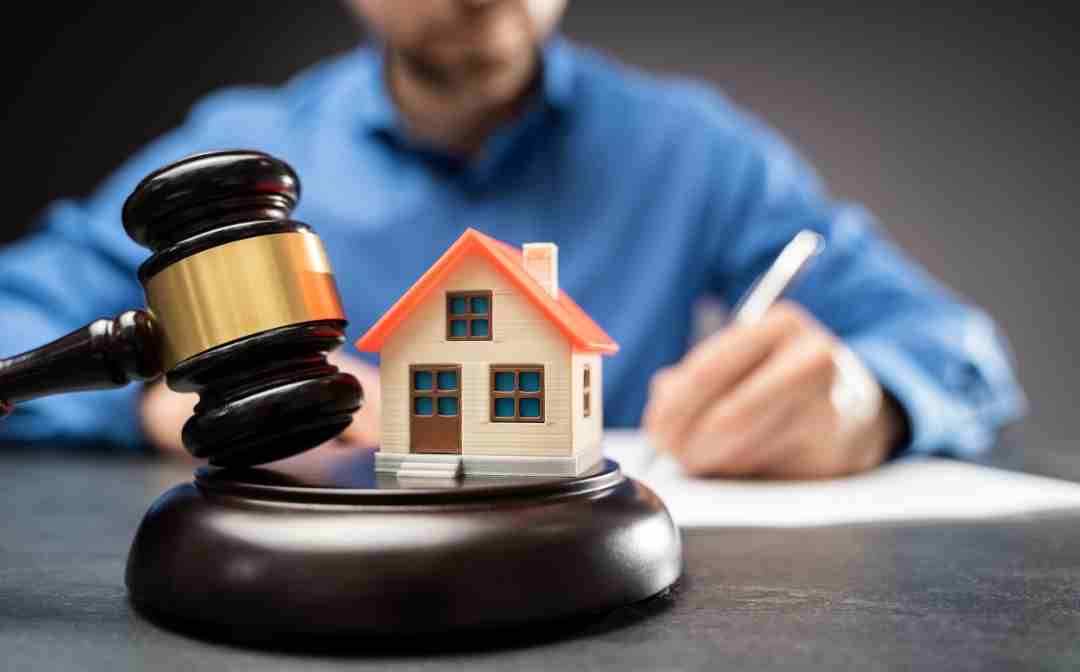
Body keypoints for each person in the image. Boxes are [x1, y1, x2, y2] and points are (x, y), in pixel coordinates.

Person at [0, 0, 1025, 477]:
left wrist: (871, 397)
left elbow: (954, 344)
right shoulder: (239, 157)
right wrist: (167, 396)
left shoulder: (697, 151)